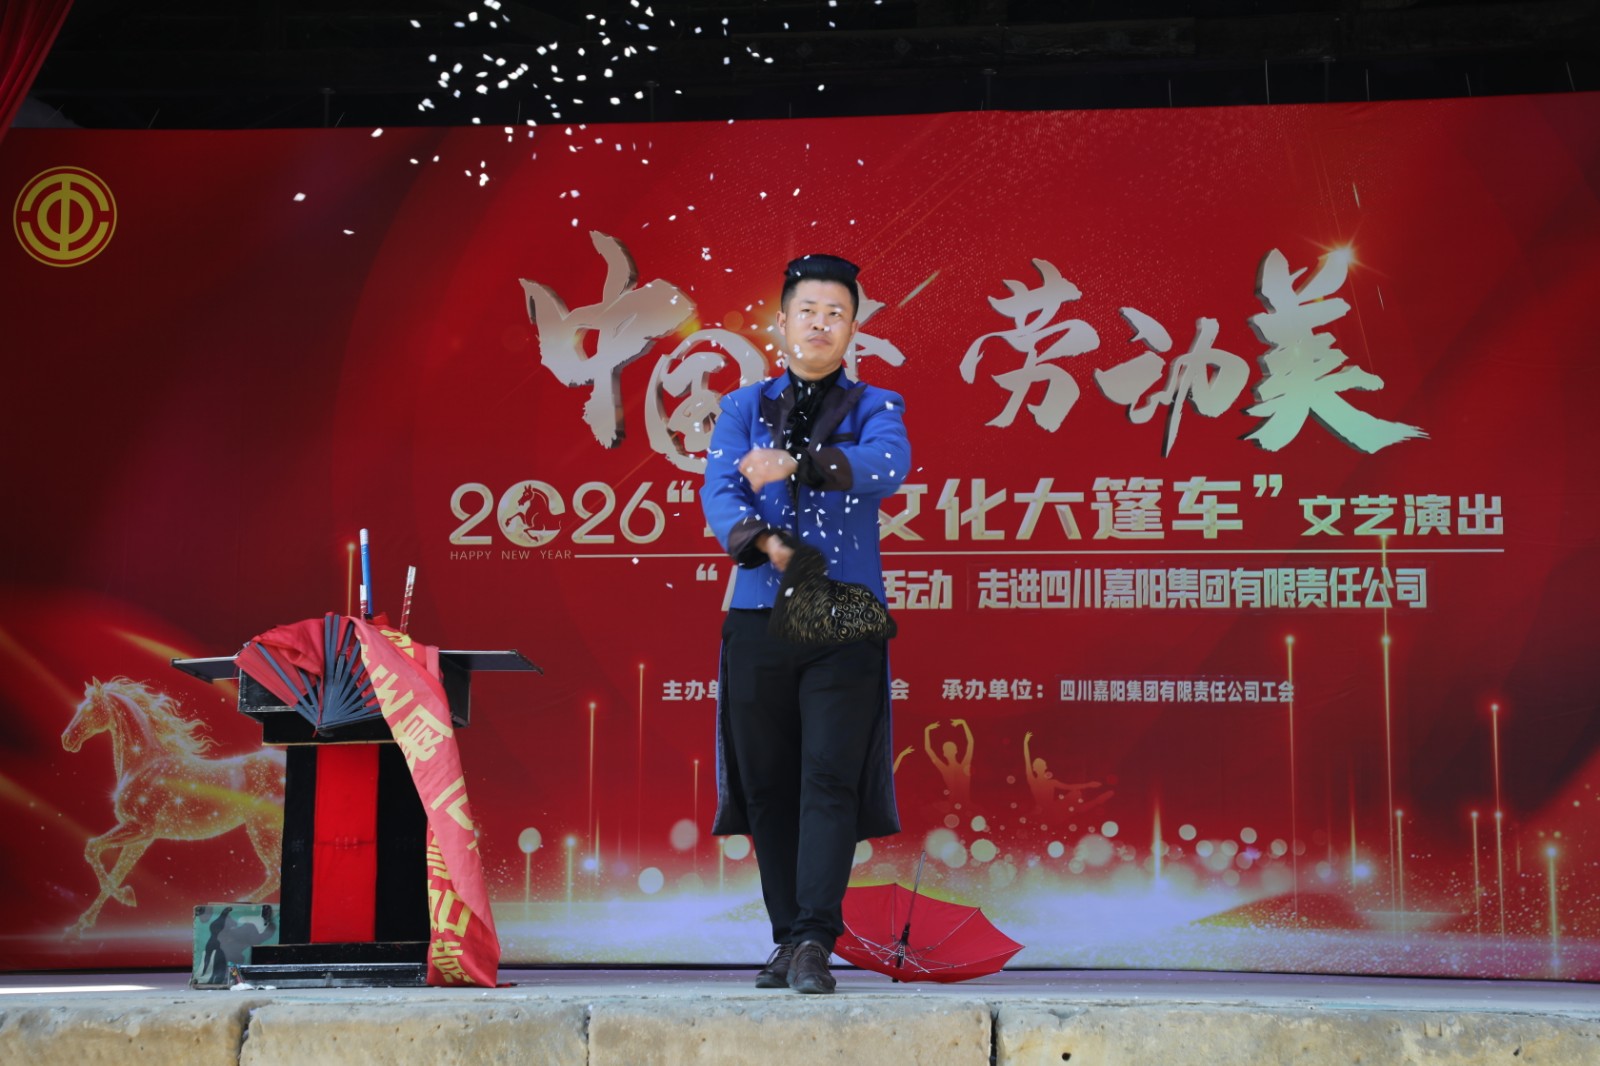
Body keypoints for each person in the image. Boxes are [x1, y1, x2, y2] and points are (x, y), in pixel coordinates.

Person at [702, 253, 910, 994]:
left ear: (852, 329)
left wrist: (798, 462)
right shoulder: (741, 407)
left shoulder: (875, 405)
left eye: (836, 313)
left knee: (829, 775)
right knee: (766, 783)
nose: (820, 324)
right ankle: (787, 937)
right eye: (808, 311)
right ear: (782, 321)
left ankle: (817, 937)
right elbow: (720, 491)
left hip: (842, 617)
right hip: (758, 616)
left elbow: (887, 466)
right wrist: (772, 546)